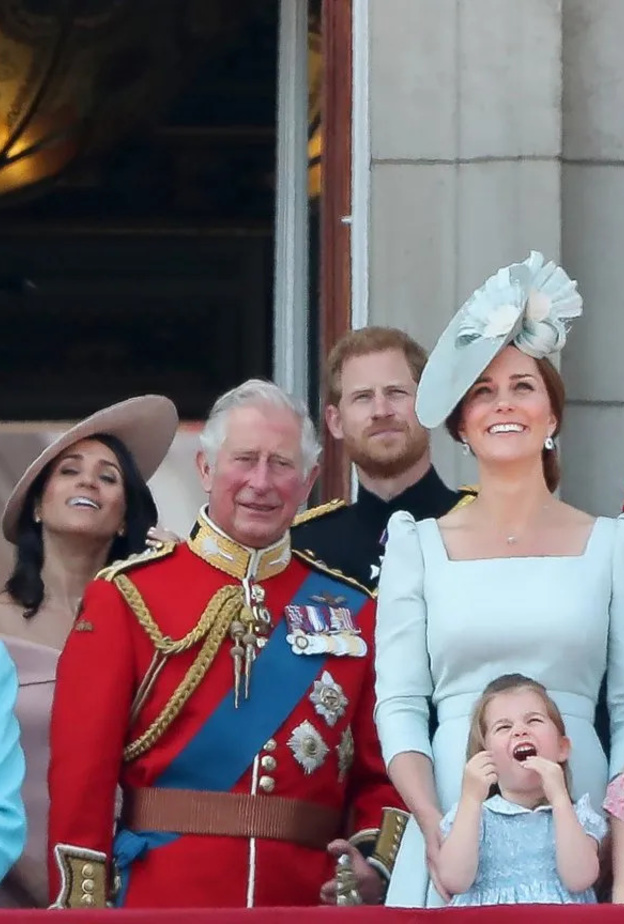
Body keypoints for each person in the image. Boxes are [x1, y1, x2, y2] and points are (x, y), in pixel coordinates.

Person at [47, 379, 404, 910]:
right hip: (162, 898)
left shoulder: (355, 609)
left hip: (305, 901)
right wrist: (81, 908)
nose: (261, 482)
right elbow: (82, 777)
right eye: (245, 459)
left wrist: (372, 862)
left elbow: (384, 770)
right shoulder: (127, 595)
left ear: (308, 481)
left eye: (281, 464)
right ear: (206, 469)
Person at [373, 251, 624, 907]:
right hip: (455, 823)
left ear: (552, 414)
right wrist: (433, 822)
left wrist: (618, 840)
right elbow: (399, 703)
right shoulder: (417, 546)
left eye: (522, 386)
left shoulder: (612, 546)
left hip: (583, 821)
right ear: (461, 423)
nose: (502, 404)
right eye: (482, 390)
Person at [0, 395, 179, 908]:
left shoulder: (155, 626)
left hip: (124, 881)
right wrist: (34, 877)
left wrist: (179, 583)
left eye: (107, 477)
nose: (87, 483)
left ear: (125, 518)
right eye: (70, 471)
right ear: (37, 503)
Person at [291, 327, 475, 590]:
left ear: (430, 402)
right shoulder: (304, 549)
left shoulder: (485, 528)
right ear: (336, 421)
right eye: (363, 397)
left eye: (396, 393)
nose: (381, 411)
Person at [439, 674, 606, 906]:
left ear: (562, 748)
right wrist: (470, 798)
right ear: (484, 756)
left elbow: (580, 879)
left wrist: (559, 799)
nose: (520, 731)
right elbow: (454, 880)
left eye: (534, 721)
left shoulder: (578, 816)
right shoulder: (473, 815)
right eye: (504, 727)